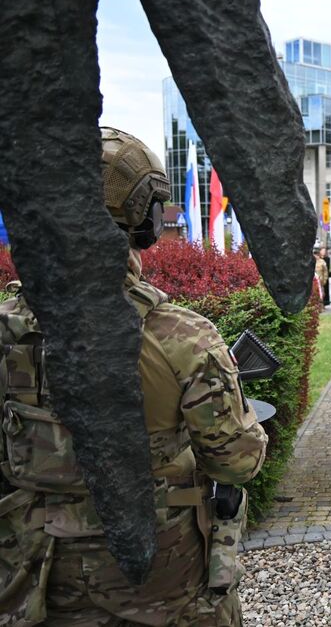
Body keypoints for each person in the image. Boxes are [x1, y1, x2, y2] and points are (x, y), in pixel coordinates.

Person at [0, 127, 267, 624]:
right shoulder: (184, 338)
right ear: (143, 222)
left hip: (36, 580)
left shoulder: (7, 329)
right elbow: (238, 462)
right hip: (162, 584)